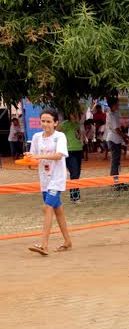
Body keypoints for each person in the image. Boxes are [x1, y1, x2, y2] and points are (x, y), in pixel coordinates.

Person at [26, 108, 73, 256]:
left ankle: (44, 245)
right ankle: (67, 241)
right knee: (57, 210)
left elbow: (59, 155)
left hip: (57, 179)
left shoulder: (60, 136)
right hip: (44, 180)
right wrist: (29, 159)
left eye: (48, 121)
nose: (45, 124)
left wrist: (38, 157)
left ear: (55, 123)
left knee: (47, 208)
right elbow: (33, 160)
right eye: (43, 121)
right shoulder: (36, 137)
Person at [58, 110, 84, 203]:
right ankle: (75, 197)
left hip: (78, 150)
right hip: (69, 151)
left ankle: (74, 196)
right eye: (73, 113)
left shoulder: (78, 124)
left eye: (77, 113)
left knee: (77, 174)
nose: (76, 115)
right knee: (74, 173)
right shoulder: (65, 124)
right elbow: (56, 133)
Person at [106, 97, 129, 181]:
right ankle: (115, 180)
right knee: (115, 161)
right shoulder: (111, 115)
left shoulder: (114, 113)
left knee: (116, 160)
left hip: (116, 139)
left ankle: (116, 179)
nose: (118, 106)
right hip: (114, 139)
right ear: (113, 105)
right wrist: (126, 137)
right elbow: (117, 130)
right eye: (117, 104)